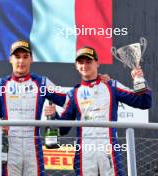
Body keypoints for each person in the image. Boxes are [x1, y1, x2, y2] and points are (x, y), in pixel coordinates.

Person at [44, 46, 152, 176]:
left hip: (109, 151)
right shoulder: (74, 94)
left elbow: (144, 102)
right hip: (85, 154)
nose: (85, 65)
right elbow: (63, 129)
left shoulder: (111, 86)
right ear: (76, 66)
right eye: (81, 62)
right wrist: (53, 116)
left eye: (89, 61)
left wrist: (139, 80)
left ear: (97, 63)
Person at [0, 40, 67, 176]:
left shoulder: (42, 83)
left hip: (33, 146)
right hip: (9, 146)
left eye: (25, 57)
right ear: (10, 59)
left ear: (31, 59)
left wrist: (97, 80)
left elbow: (71, 101)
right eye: (17, 57)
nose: (21, 61)